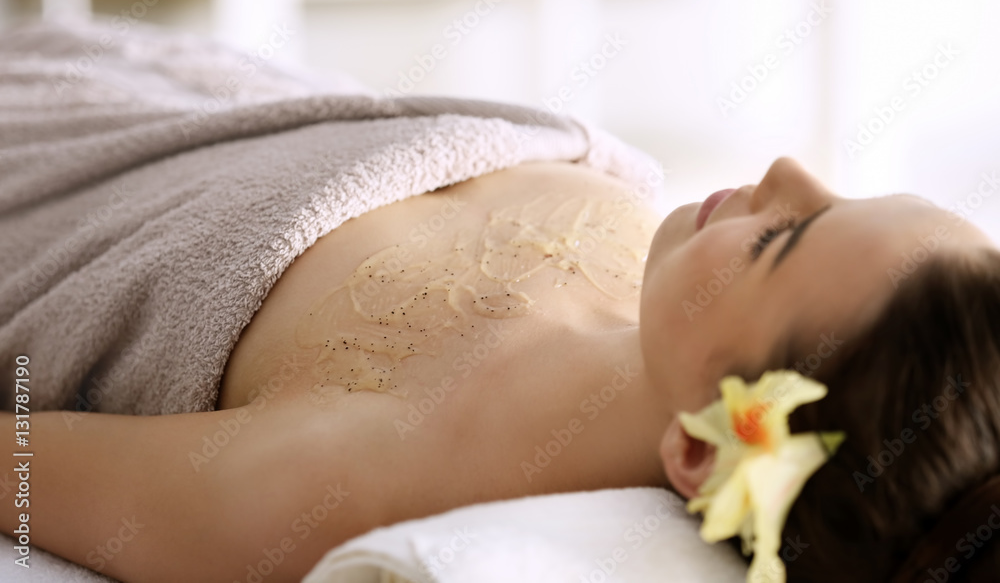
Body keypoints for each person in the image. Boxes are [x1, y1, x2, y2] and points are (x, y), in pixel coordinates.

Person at [2, 156, 998, 583]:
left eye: (780, 241)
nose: (784, 170)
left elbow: (19, 463)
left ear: (704, 448)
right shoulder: (664, 290)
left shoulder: (347, 474)